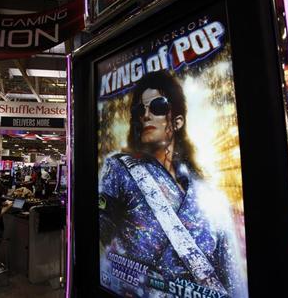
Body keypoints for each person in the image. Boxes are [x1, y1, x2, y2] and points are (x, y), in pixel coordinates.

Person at [99, 70, 248, 298]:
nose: (146, 115)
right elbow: (99, 230)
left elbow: (232, 279)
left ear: (177, 121)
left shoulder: (209, 194)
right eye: (140, 109)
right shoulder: (119, 170)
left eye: (157, 106)